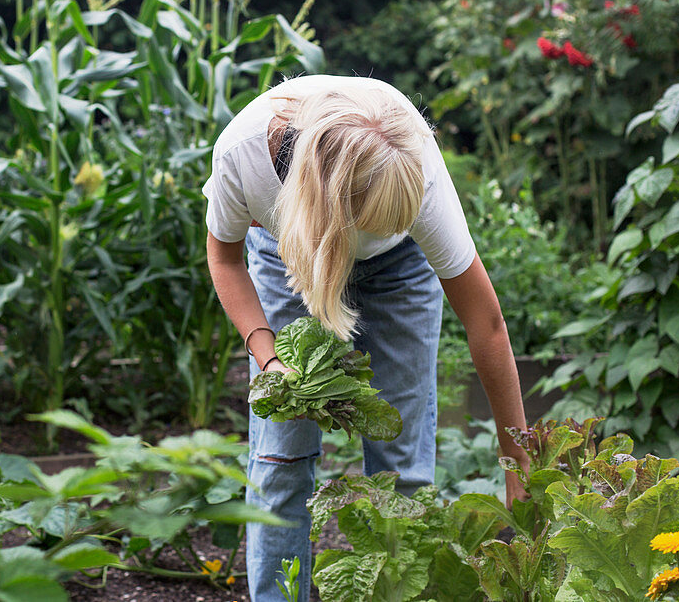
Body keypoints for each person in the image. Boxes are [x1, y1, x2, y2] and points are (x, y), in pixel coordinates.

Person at [202, 75, 529, 602]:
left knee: (401, 467)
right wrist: (267, 358)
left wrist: (519, 464)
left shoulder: (414, 168)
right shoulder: (243, 154)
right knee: (279, 463)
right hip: (287, 253)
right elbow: (224, 257)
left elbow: (486, 323)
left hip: (401, 271)